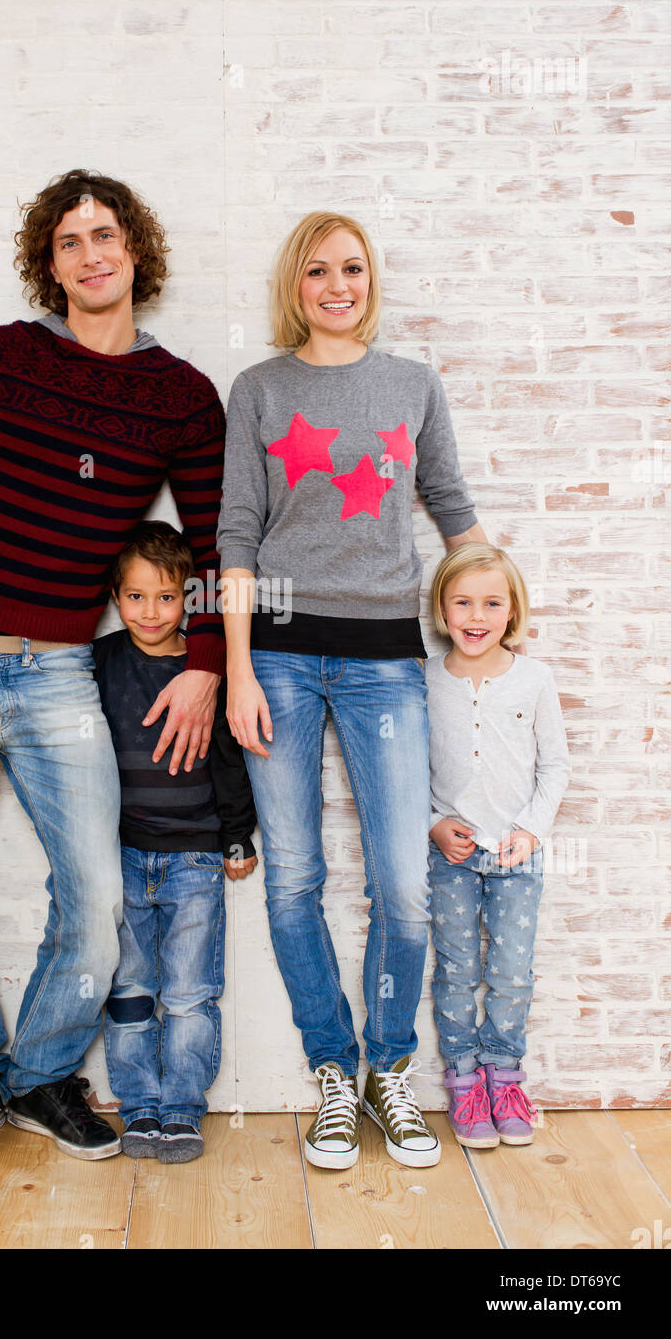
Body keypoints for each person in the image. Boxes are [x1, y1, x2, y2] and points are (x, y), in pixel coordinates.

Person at [0, 169, 227, 1169]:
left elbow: (216, 542)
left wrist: (203, 665)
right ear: (48, 262)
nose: (91, 252)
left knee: (98, 892)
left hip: (58, 673)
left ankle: (43, 1074)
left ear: (136, 251)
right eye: (69, 240)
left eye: (105, 234)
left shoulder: (181, 398)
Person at [217, 210, 489, 1170]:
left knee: (404, 888)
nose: (339, 285)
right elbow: (236, 537)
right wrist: (239, 668)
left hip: (387, 663)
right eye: (320, 271)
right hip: (280, 662)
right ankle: (334, 1071)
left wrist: (491, 614)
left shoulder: (412, 384)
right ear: (295, 283)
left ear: (371, 281)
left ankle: (390, 1072)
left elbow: (452, 509)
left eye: (355, 269)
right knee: (295, 878)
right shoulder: (257, 389)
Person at [94, 522, 257, 1163]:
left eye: (166, 597)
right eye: (136, 597)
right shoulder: (101, 661)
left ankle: (183, 1107)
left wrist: (237, 836)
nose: (151, 612)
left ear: (188, 599)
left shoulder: (203, 670)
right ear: (115, 597)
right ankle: (137, 1106)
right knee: (130, 986)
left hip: (195, 857)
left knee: (190, 991)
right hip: (123, 854)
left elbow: (227, 758)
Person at [425, 544, 571, 1147]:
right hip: (452, 853)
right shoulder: (425, 678)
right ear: (442, 609)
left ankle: (505, 1077)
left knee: (510, 973)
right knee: (457, 970)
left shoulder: (534, 679)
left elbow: (556, 766)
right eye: (462, 602)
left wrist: (531, 830)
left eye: (491, 602)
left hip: (518, 854)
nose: (476, 615)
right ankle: (463, 1082)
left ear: (512, 612)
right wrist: (434, 823)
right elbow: (407, 767)